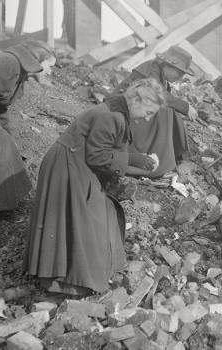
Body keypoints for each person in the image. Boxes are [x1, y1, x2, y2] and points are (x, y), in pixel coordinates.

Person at [26, 78, 165, 296]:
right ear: (136, 100)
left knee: (86, 218)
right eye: (148, 112)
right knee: (83, 219)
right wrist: (133, 159)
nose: (147, 119)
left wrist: (132, 162)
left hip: (75, 163)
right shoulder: (112, 116)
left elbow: (100, 153)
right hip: (68, 166)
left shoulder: (116, 112)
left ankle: (73, 277)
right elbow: (97, 156)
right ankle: (69, 282)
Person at [0, 40, 55, 216]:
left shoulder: (19, 74)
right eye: (49, 66)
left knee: (5, 146)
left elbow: (0, 107)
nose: (49, 72)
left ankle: (0, 204)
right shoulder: (8, 63)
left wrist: (10, 137)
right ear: (36, 60)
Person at [113, 45, 198, 177]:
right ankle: (159, 162)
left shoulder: (161, 75)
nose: (181, 77)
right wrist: (185, 107)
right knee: (166, 113)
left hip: (133, 112)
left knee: (171, 112)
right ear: (169, 66)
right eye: (180, 73)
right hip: (121, 113)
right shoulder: (150, 70)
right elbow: (158, 95)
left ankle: (169, 158)